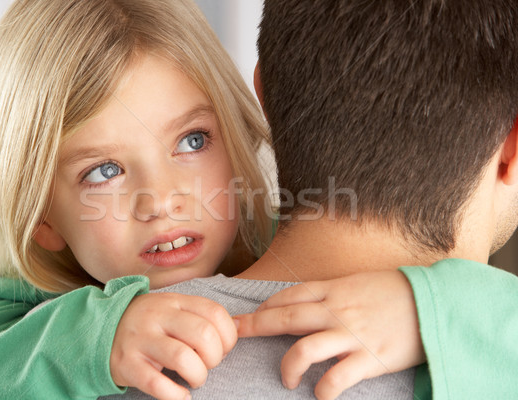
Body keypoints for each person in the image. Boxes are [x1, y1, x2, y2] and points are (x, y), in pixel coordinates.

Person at [118, 0, 518, 398]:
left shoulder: (120, 358)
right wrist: (445, 314)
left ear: (266, 98)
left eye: (192, 140)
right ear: (511, 147)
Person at [0, 0, 275, 399]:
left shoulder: (284, 240)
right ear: (41, 218)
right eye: (105, 171)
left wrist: (363, 298)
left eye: (192, 141)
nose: (160, 200)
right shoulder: (16, 301)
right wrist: (94, 337)